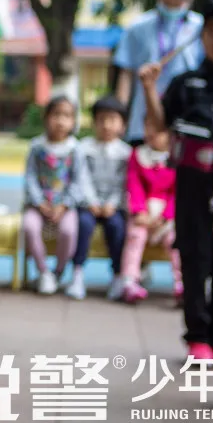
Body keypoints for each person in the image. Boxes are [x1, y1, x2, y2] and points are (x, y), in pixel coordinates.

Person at [141, 0, 213, 361]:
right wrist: (149, 89)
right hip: (192, 184)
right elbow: (159, 127)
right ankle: (197, 335)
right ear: (202, 37)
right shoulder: (185, 83)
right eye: (212, 31)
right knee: (194, 256)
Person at [114, 0, 204, 145]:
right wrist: (119, 114)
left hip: (184, 119)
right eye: (168, 2)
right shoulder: (138, 27)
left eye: (178, 3)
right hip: (143, 119)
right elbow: (125, 73)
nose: (172, 7)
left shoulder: (200, 27)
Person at [66, 96, 131, 301]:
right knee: (83, 225)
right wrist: (91, 201)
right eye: (101, 119)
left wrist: (112, 203)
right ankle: (77, 273)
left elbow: (123, 182)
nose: (106, 125)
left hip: (113, 206)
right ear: (94, 122)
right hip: (88, 205)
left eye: (112, 120)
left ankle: (117, 275)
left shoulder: (125, 152)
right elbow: (81, 177)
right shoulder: (83, 148)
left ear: (122, 124)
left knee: (117, 227)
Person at [22, 96, 88, 295]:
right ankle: (43, 271)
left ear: (73, 121)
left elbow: (78, 181)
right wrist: (39, 202)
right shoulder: (37, 146)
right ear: (46, 118)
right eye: (56, 115)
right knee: (29, 227)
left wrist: (64, 205)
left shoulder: (76, 149)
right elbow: (30, 176)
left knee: (68, 231)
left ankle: (58, 271)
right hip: (38, 206)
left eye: (66, 116)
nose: (60, 121)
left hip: (65, 207)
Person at [118, 115, 181, 303]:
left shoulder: (176, 157)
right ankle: (129, 281)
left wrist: (166, 216)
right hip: (142, 213)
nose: (152, 133)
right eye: (148, 126)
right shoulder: (138, 155)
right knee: (135, 236)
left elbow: (176, 192)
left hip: (166, 217)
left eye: (159, 129)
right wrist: (139, 211)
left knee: (175, 241)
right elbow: (134, 184)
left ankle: (181, 282)